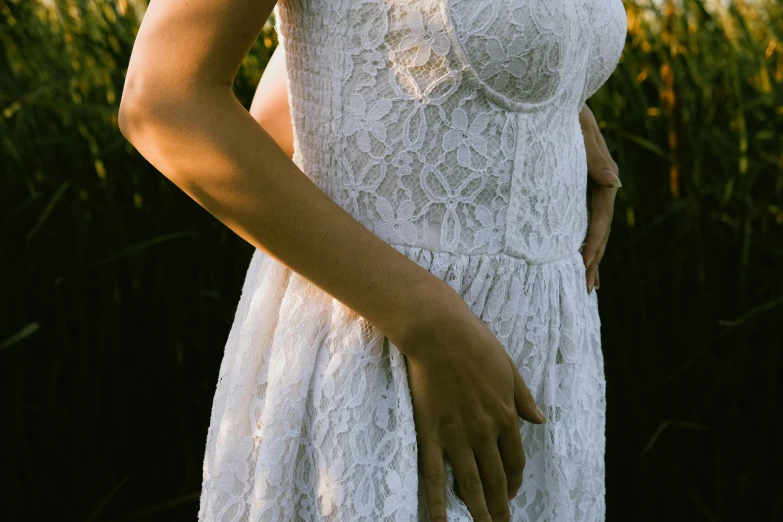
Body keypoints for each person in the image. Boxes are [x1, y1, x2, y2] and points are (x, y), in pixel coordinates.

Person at [118, 0, 626, 519]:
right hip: (383, 366)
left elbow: (316, 78)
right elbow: (163, 101)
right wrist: (425, 318)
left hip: (546, 378)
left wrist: (553, 104)